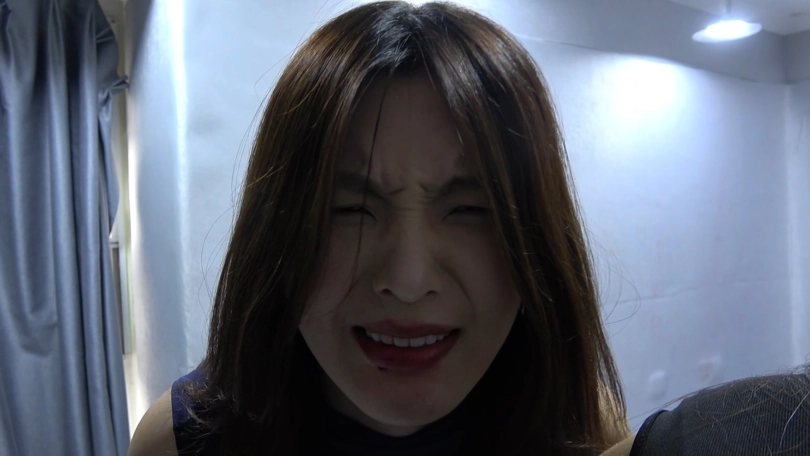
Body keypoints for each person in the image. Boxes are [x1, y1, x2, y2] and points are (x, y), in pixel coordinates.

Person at [128, 1, 631, 455]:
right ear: (277, 236)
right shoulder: (182, 441)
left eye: (472, 209)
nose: (409, 282)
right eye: (348, 210)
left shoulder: (584, 429)